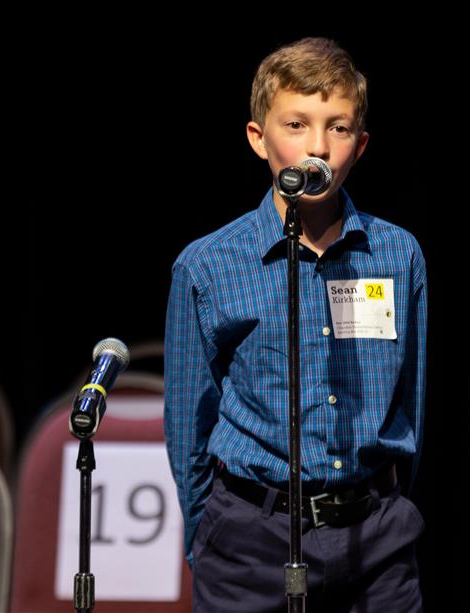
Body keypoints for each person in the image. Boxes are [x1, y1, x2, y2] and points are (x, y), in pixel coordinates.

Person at [164, 36, 427, 612]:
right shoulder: (208, 264)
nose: (317, 147)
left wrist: (386, 506)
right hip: (250, 540)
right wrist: (210, 539)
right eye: (297, 124)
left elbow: (411, 402)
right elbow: (189, 424)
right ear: (259, 138)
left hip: (375, 539)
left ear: (359, 145)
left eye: (337, 128)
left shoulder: (397, 255)